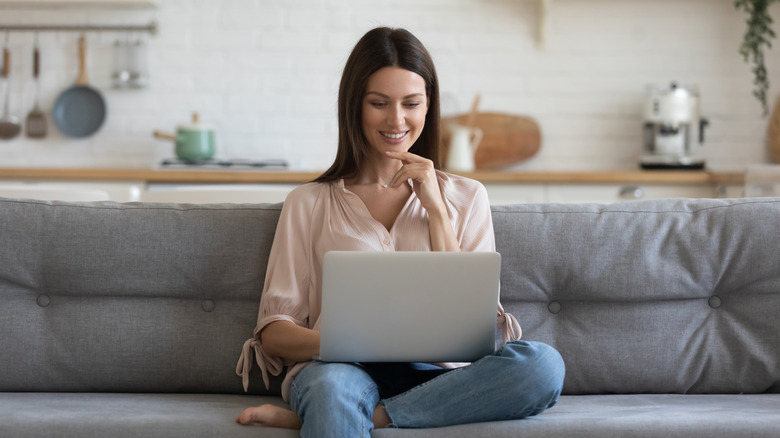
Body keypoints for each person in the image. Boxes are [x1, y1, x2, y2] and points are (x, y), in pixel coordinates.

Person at [235, 26, 565, 437]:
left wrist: (437, 211)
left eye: (411, 103)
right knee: (332, 389)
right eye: (379, 103)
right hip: (340, 370)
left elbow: (472, 324)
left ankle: (370, 417)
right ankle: (342, 409)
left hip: (440, 376)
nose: (396, 120)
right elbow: (274, 334)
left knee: (543, 365)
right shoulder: (309, 203)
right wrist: (350, 342)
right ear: (354, 106)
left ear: (429, 107)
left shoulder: (468, 196)